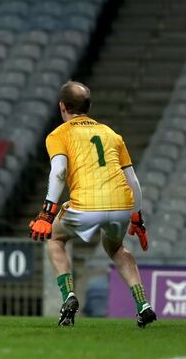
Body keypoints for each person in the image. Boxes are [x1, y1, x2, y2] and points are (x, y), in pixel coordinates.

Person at [29, 81, 155, 328]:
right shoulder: (111, 134)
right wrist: (137, 218)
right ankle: (143, 304)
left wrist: (46, 214)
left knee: (55, 239)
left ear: (62, 106)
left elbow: (58, 172)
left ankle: (69, 297)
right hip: (121, 205)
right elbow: (134, 181)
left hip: (85, 205)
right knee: (117, 249)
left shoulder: (59, 134)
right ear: (88, 106)